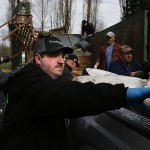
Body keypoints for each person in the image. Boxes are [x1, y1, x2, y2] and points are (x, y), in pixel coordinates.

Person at [0, 36, 150, 150]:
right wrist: (121, 95)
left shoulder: (41, 81)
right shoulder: (29, 83)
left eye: (62, 56)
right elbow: (67, 95)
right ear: (38, 59)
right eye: (53, 55)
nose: (61, 61)